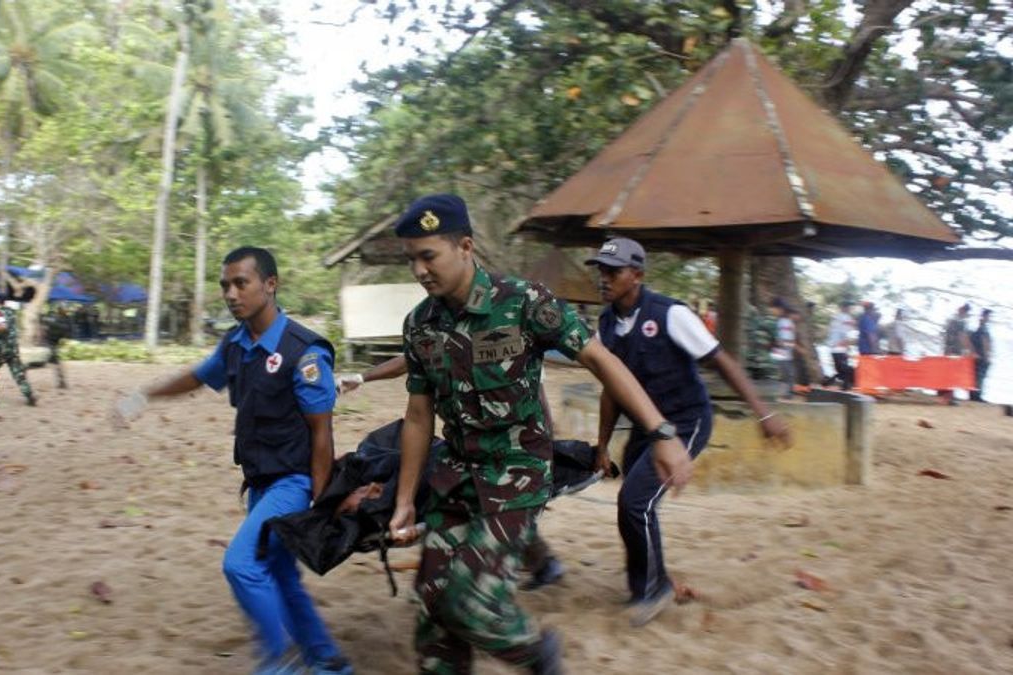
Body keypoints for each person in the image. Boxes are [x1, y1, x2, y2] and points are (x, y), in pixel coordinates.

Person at [385, 195, 694, 674]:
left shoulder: (524, 302)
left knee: (469, 600)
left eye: (429, 255)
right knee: (432, 603)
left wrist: (661, 432)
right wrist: (406, 497)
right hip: (455, 477)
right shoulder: (420, 325)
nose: (420, 270)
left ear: (465, 247)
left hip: (516, 474)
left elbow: (600, 360)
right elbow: (419, 414)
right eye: (412, 259)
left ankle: (537, 655)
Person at [111, 247, 353, 675]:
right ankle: (327, 659)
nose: (231, 293)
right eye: (225, 284)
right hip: (259, 483)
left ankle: (281, 662)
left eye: (241, 282)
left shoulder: (304, 351)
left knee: (240, 565)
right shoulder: (237, 344)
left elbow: (322, 433)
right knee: (280, 574)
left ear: (270, 284)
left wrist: (321, 502)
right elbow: (199, 377)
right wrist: (143, 395)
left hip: (293, 483)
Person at [585, 237, 792, 627]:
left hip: (687, 420)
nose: (604, 278)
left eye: (613, 271)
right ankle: (651, 581)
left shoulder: (670, 314)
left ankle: (653, 590)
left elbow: (723, 362)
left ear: (638, 275)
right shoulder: (606, 324)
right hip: (647, 428)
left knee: (635, 502)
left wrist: (764, 415)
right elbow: (611, 391)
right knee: (635, 504)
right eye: (601, 270)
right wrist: (601, 445)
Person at [338, 356, 566, 591]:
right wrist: (362, 377)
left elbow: (538, 393)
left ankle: (530, 568)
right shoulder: (438, 326)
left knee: (495, 509)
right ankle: (540, 564)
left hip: (510, 446)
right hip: (467, 444)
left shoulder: (513, 332)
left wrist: (543, 449)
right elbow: (410, 358)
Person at [0, 292, 36, 406]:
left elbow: (3, 327)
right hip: (13, 347)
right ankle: (29, 395)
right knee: (17, 372)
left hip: (2, 348)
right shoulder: (11, 312)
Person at [27, 305, 70, 389]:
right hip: (49, 343)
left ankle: (62, 382)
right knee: (48, 362)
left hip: (50, 343)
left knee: (46, 362)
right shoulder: (62, 321)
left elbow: (44, 325)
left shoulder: (58, 320)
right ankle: (62, 382)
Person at [941, 303, 972, 405]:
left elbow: (945, 336)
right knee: (952, 375)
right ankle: (948, 398)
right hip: (955, 351)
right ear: (963, 311)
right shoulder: (960, 322)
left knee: (948, 374)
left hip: (948, 349)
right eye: (966, 311)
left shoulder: (951, 320)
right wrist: (967, 350)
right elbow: (962, 337)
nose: (966, 314)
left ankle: (947, 396)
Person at [768, 298, 797, 399]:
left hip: (782, 350)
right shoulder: (784, 322)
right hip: (782, 351)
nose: (771, 311)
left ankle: (787, 394)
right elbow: (785, 339)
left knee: (785, 373)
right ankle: (786, 394)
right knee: (786, 373)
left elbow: (785, 339)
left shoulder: (784, 322)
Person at [825, 301, 856, 390]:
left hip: (834, 347)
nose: (849, 309)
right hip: (840, 347)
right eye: (848, 307)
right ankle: (843, 386)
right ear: (843, 307)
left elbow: (834, 332)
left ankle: (832, 382)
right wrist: (846, 344)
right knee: (844, 369)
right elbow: (847, 334)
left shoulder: (836, 318)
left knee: (841, 369)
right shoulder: (845, 318)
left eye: (849, 307)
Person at [971, 308, 993, 402]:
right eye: (989, 316)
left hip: (978, 354)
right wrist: (987, 355)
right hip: (981, 355)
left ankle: (975, 394)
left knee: (977, 375)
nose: (989, 318)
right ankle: (976, 395)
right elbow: (984, 342)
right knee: (979, 376)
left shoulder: (980, 327)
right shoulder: (982, 327)